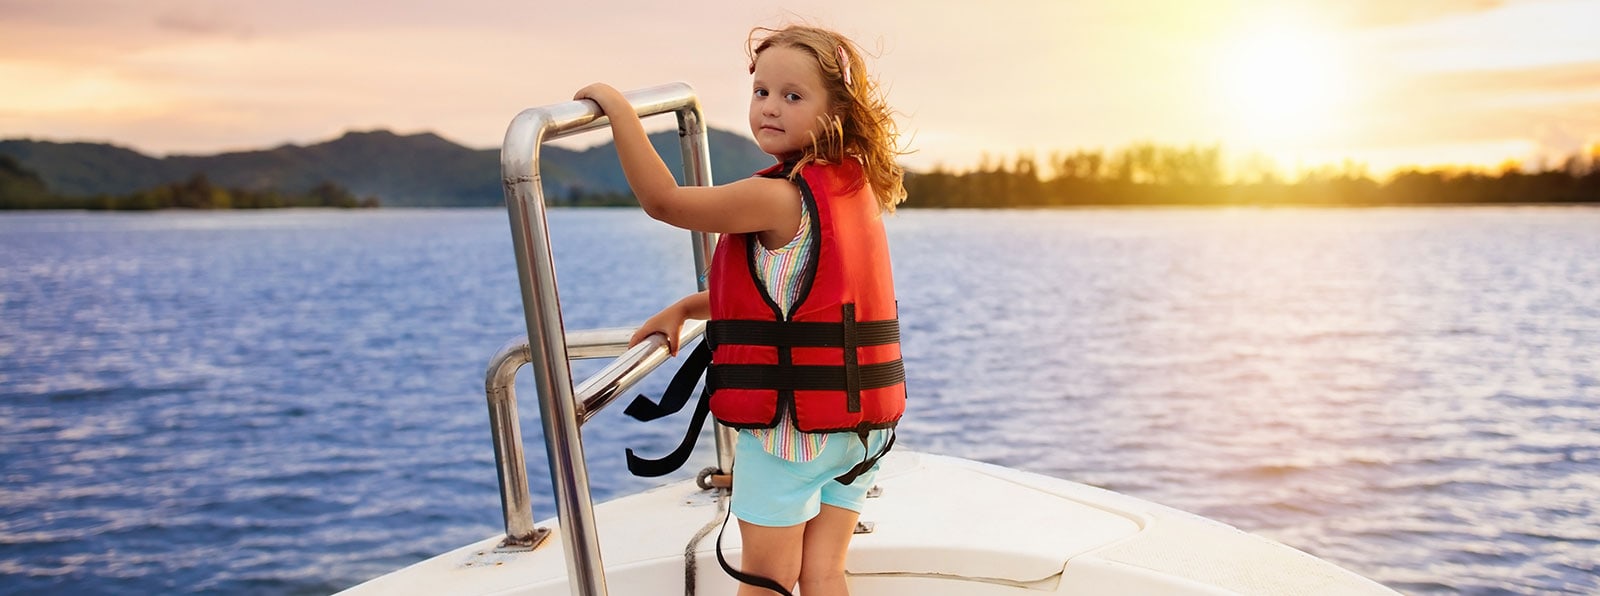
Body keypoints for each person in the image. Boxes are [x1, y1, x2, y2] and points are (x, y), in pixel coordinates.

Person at [575, 23, 907, 596]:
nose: (770, 108)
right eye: (761, 92)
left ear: (835, 114)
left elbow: (664, 201)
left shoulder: (775, 196)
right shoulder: (852, 185)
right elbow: (796, 294)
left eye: (793, 96)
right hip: (863, 426)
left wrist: (616, 107)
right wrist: (689, 305)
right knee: (824, 574)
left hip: (792, 435)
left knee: (767, 581)